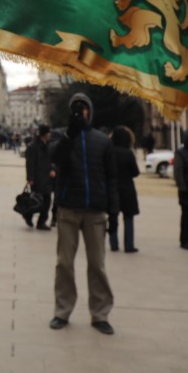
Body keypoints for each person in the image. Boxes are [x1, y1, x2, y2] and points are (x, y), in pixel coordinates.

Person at [48, 92, 119, 334]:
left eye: (84, 108)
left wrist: (114, 213)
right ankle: (62, 311)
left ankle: (100, 314)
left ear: (90, 111)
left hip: (95, 211)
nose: (80, 112)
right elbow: (55, 158)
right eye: (76, 108)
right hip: (69, 208)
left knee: (97, 265)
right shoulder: (62, 136)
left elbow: (111, 178)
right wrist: (70, 134)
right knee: (64, 263)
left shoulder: (102, 141)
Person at [108, 126, 140, 253]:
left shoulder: (109, 151)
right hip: (127, 187)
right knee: (128, 217)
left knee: (113, 216)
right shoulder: (128, 153)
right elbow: (135, 172)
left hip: (112, 187)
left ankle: (113, 243)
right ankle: (129, 245)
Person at [23, 125, 54, 230]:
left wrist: (53, 169)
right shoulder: (33, 146)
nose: (51, 135)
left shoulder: (49, 145)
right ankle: (28, 215)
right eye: (49, 133)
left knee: (47, 201)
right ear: (44, 135)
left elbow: (52, 160)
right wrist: (30, 178)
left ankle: (41, 222)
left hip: (47, 178)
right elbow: (30, 163)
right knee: (36, 201)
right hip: (37, 178)